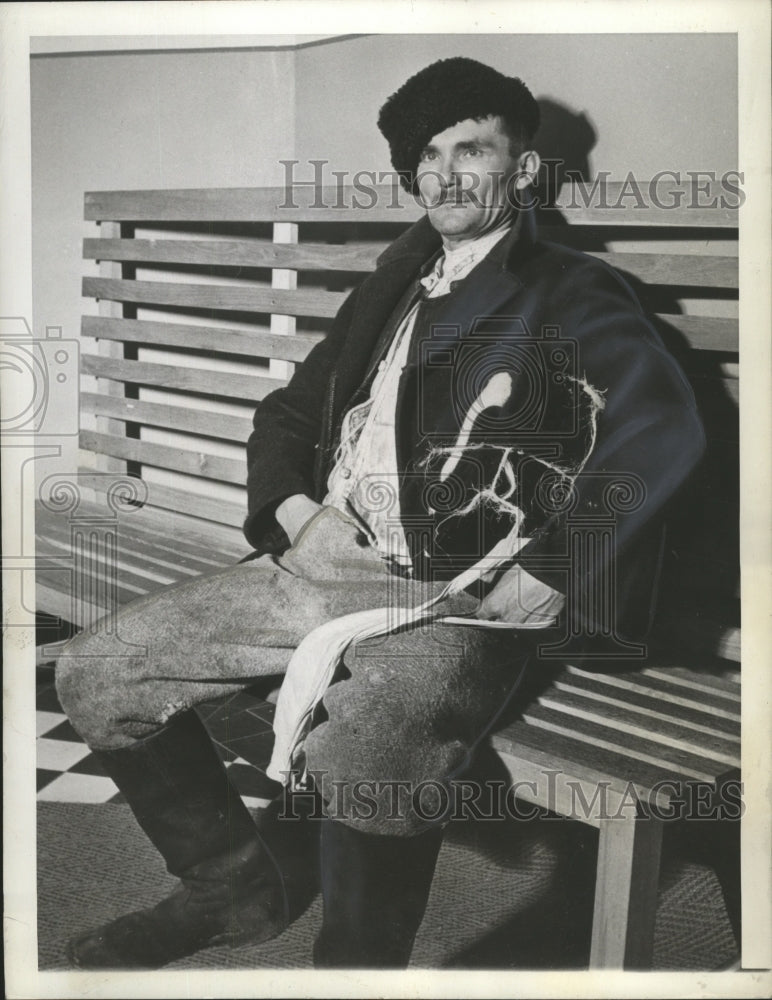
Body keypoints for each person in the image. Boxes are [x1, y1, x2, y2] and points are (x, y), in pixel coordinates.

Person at [55, 57, 705, 970]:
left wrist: (556, 565)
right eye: (425, 156)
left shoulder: (567, 291)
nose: (442, 173)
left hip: (445, 595)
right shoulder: (396, 285)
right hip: (320, 568)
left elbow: (663, 426)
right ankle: (231, 889)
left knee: (369, 745)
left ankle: (357, 969)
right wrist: (292, 511)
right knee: (98, 672)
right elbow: (287, 414)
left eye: (470, 149)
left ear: (523, 169)